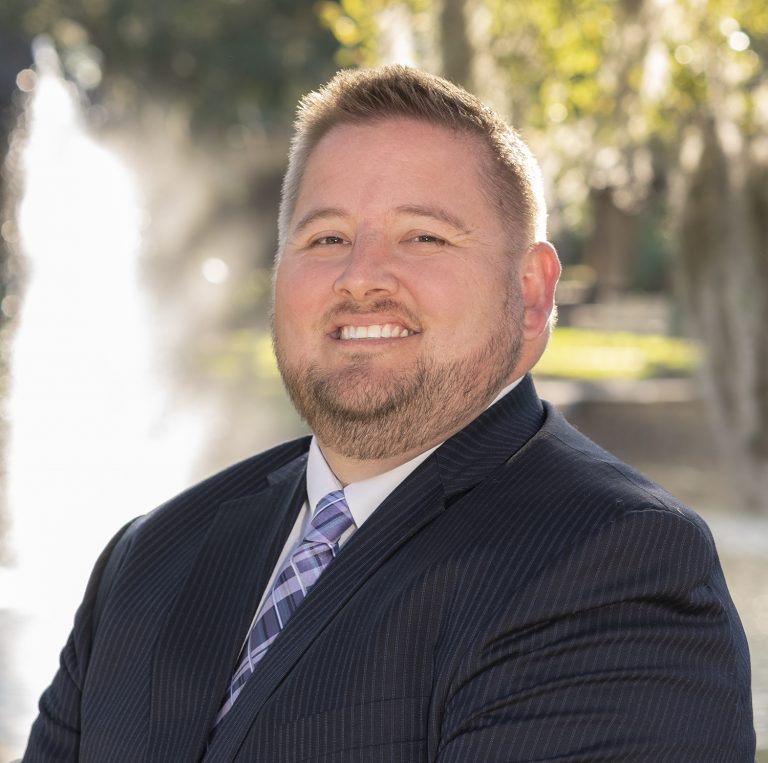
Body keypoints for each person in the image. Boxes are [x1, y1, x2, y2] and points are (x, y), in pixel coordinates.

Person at [22, 65, 754, 762]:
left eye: (423, 236)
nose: (360, 276)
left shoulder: (614, 563)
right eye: (326, 238)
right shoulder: (149, 558)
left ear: (531, 292)